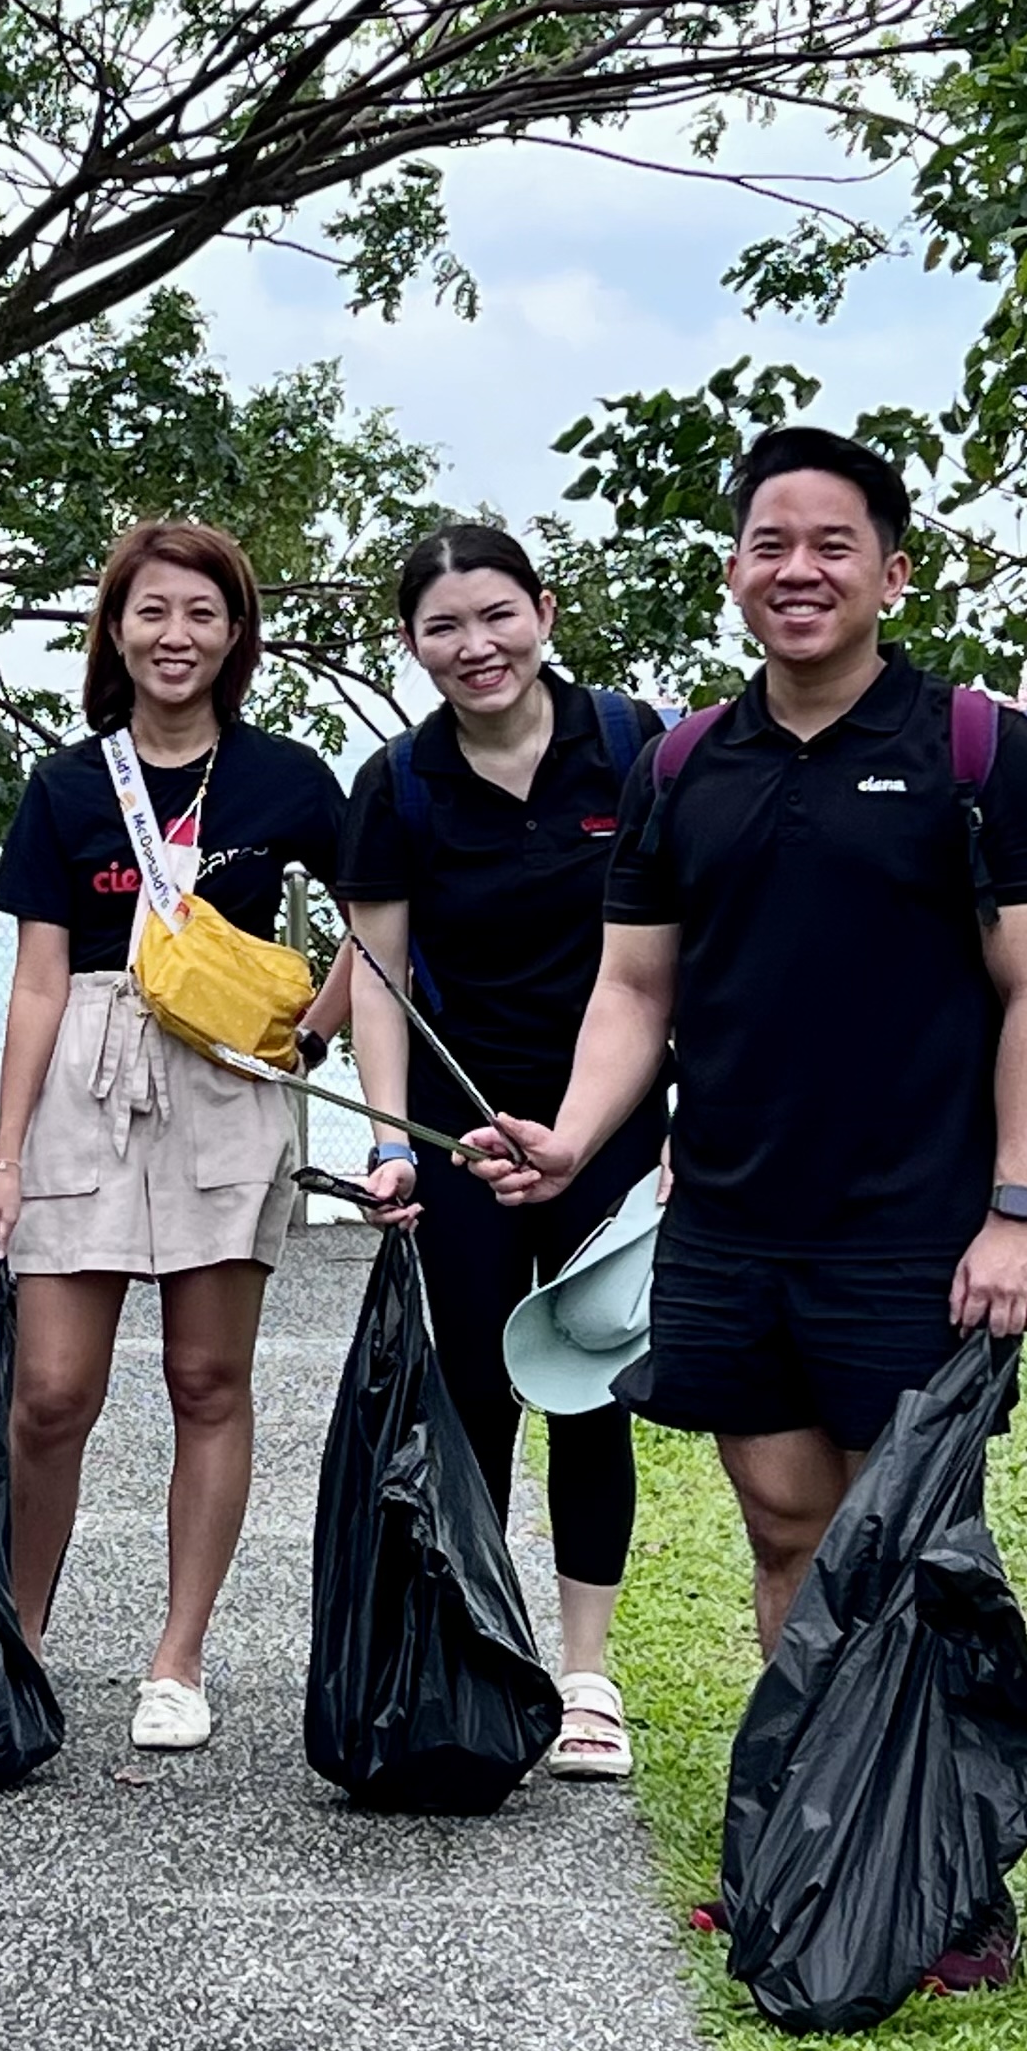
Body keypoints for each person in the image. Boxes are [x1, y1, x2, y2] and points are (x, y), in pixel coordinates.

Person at [470, 425, 1027, 1989]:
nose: (796, 570)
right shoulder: (683, 762)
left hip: (917, 1226)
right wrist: (572, 1136)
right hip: (732, 1224)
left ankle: (948, 1884)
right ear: (734, 571)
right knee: (790, 1529)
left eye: (831, 544)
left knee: (918, 1550)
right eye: (768, 544)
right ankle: (827, 1851)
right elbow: (634, 988)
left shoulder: (979, 749)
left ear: (891, 567)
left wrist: (1018, 1207)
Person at [0, 519, 345, 1753]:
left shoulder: (287, 779)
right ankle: (19, 1635)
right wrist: (5, 1155)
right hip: (86, 1064)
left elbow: (381, 929)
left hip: (225, 1084)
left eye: (201, 614)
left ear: (236, 635)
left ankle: (178, 1658)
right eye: (151, 613)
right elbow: (32, 981)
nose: (174, 636)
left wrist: (309, 1026)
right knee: (51, 1391)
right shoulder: (69, 785)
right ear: (115, 632)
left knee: (207, 1378)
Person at [334, 522, 665, 1779]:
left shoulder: (637, 749)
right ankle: (477, 1640)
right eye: (443, 627)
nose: (475, 647)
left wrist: (661, 1138)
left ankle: (586, 1673)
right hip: (461, 1132)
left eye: (495, 616)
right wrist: (389, 1142)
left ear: (544, 611)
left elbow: (681, 955)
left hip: (611, 1125)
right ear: (413, 644)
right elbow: (376, 980)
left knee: (589, 1385)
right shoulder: (400, 784)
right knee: (469, 1390)